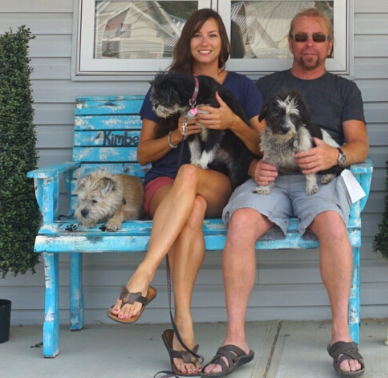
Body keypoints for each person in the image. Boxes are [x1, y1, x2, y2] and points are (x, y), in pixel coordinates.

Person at [202, 8, 368, 378]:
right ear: (290, 43)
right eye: (301, 37)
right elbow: (246, 140)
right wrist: (250, 167)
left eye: (318, 38)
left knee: (333, 226)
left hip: (319, 178)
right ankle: (236, 340)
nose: (310, 44)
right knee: (241, 223)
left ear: (330, 45)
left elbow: (360, 146)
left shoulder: (344, 89)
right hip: (270, 176)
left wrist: (334, 155)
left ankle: (341, 336)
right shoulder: (265, 87)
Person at [106, 8, 264, 376]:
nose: (204, 42)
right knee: (189, 207)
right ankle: (183, 329)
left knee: (192, 175)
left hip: (217, 181)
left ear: (224, 42)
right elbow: (144, 153)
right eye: (197, 35)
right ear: (187, 42)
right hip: (164, 183)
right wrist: (176, 134)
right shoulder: (168, 85)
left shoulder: (241, 87)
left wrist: (232, 122)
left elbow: (259, 146)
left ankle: (142, 277)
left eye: (212, 35)